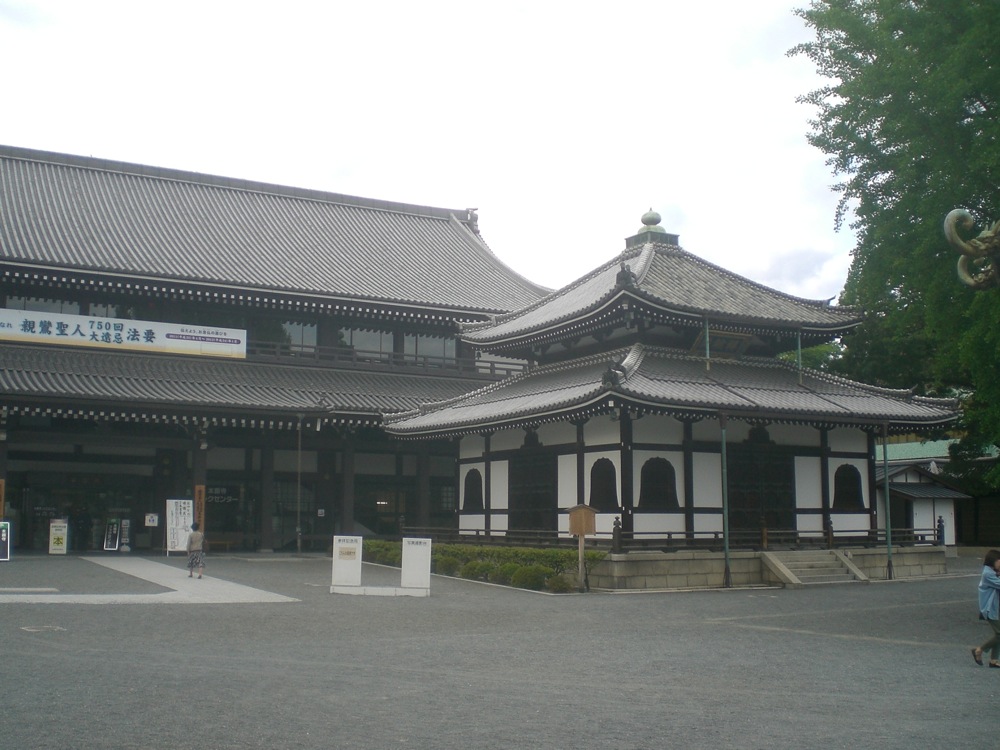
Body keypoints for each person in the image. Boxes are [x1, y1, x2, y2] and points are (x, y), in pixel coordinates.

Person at [972, 548, 1000, 667]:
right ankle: (979, 650)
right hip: (989, 608)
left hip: (994, 607)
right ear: (993, 561)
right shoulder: (988, 574)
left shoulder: (992, 572)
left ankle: (994, 660)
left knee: (998, 635)